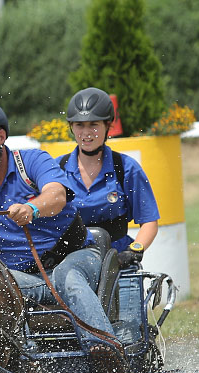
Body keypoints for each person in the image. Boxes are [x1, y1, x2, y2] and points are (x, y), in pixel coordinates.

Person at [0, 98, 118, 341]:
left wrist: (31, 208)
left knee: (69, 280)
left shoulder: (33, 161)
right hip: (22, 278)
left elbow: (57, 194)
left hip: (76, 257)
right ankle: (20, 364)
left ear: (1, 136)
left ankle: (106, 351)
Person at [56, 87, 162, 343]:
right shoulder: (56, 170)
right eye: (79, 125)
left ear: (108, 126)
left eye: (94, 124)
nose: (86, 132)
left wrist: (135, 250)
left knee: (128, 338)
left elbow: (149, 222)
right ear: (71, 128)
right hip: (72, 265)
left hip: (119, 265)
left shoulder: (126, 168)